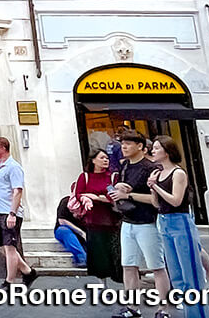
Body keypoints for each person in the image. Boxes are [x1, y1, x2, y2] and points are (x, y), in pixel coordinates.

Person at [148, 135, 209, 318]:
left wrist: (156, 187)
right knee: (175, 273)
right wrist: (153, 188)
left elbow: (176, 200)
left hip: (180, 221)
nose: (153, 151)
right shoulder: (158, 174)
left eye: (157, 148)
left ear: (167, 151)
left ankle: (198, 314)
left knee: (190, 271)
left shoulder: (178, 173)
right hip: (164, 220)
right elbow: (157, 204)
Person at [110, 129, 170, 317]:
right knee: (128, 266)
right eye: (123, 143)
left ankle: (163, 309)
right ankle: (132, 308)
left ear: (141, 147)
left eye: (128, 143)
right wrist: (119, 188)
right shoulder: (125, 166)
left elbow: (156, 200)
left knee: (157, 266)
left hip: (147, 222)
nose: (124, 147)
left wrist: (128, 194)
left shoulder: (151, 168)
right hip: (128, 221)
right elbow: (121, 189)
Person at [0, 136, 39, 289]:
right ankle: (27, 271)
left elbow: (17, 191)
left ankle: (10, 281)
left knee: (10, 247)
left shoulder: (13, 167)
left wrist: (12, 213)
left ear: (3, 148)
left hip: (8, 212)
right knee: (1, 246)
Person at [73, 148, 120, 283]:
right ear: (93, 160)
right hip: (93, 221)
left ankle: (121, 286)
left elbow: (114, 196)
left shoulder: (112, 177)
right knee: (99, 256)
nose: (105, 160)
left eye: (106, 158)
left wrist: (97, 198)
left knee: (114, 254)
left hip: (112, 220)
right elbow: (79, 193)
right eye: (102, 158)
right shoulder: (85, 176)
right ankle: (102, 285)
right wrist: (86, 199)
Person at [53, 196, 87, 266]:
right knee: (64, 231)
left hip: (84, 233)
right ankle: (82, 258)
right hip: (65, 231)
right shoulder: (65, 201)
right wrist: (81, 232)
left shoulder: (87, 204)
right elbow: (62, 221)